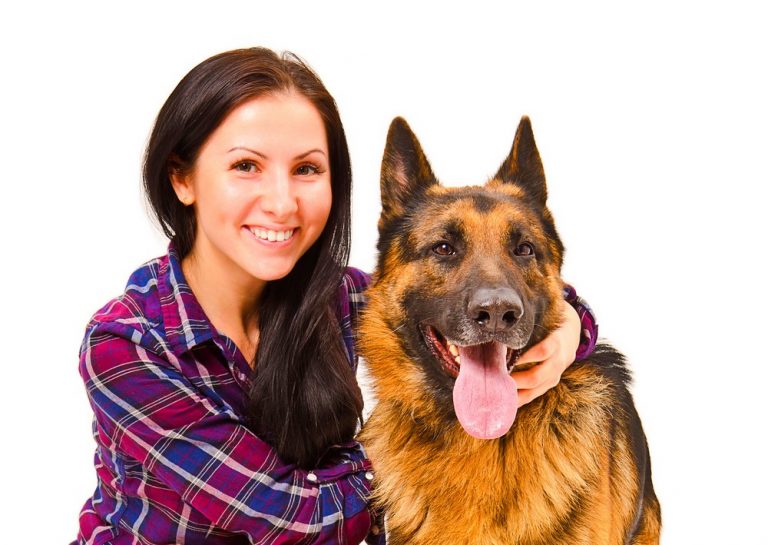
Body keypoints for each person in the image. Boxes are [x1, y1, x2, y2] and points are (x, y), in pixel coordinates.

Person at [73, 47, 598, 545]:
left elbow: (510, 297)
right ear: (182, 178)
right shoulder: (126, 346)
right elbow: (290, 516)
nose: (282, 203)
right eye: (246, 166)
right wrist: (414, 453)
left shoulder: (340, 300)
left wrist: (570, 330)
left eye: (306, 169)